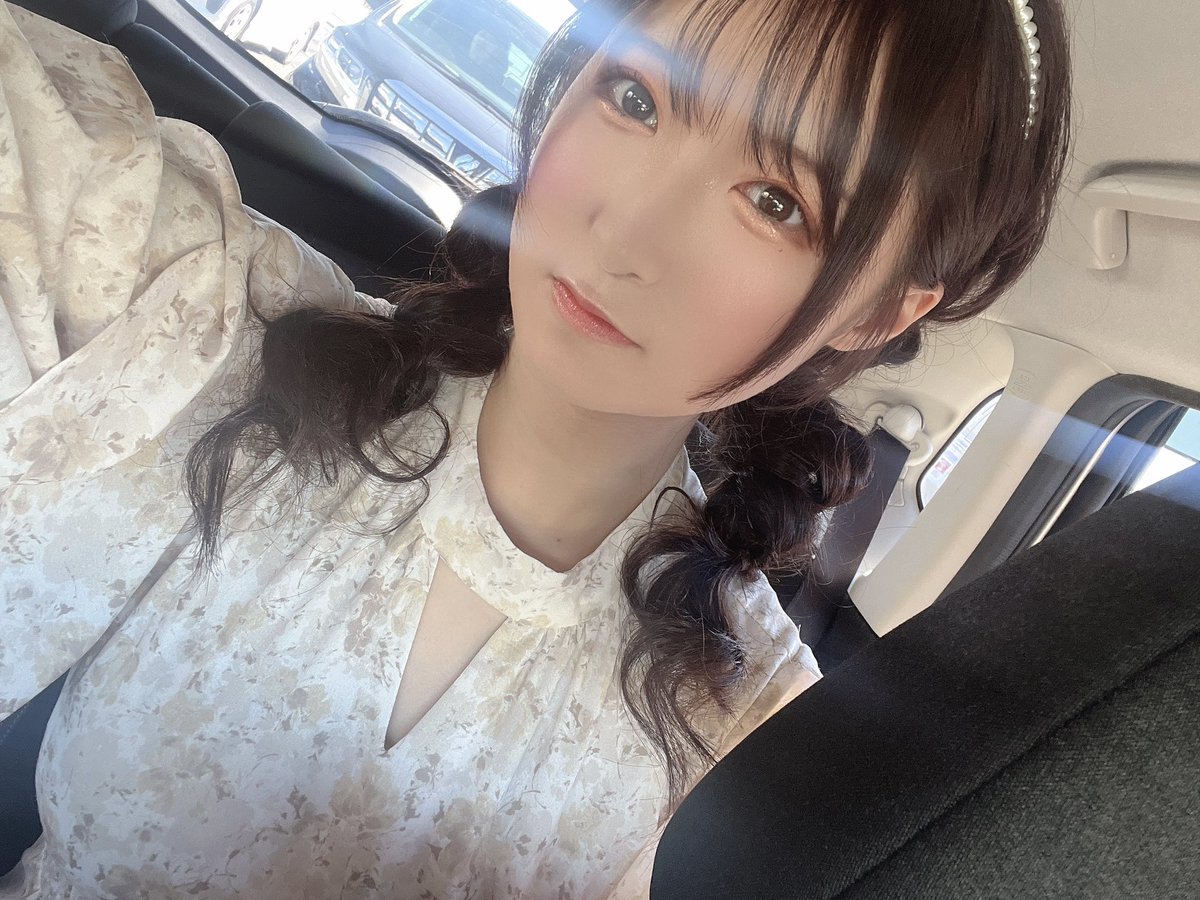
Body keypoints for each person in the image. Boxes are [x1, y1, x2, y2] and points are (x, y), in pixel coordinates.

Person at [0, 0, 1070, 896]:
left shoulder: (748, 735)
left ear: (876, 311)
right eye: (636, 99)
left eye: (774, 201)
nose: (623, 230)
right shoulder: (220, 323)